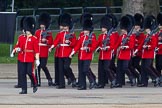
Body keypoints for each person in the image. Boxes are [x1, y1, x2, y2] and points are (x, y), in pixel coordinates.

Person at [49, 13, 77, 89]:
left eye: (66, 26)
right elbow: (56, 41)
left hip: (68, 53)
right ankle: (61, 84)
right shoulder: (60, 34)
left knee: (66, 67)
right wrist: (52, 47)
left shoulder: (72, 34)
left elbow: (75, 43)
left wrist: (70, 43)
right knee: (61, 69)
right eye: (63, 26)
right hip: (60, 53)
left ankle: (73, 78)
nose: (64, 27)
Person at [69, 17, 97, 90]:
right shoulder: (82, 38)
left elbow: (94, 46)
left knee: (85, 69)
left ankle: (92, 81)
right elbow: (77, 46)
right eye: (84, 30)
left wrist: (88, 48)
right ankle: (82, 85)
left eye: (86, 30)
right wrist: (72, 53)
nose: (85, 31)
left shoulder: (92, 38)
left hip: (87, 56)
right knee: (81, 71)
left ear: (89, 30)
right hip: (81, 56)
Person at [135, 15, 160, 87]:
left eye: (147, 29)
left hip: (149, 53)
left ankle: (156, 77)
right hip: (144, 54)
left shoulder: (153, 36)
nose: (146, 30)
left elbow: (154, 45)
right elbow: (141, 44)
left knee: (147, 67)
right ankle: (144, 82)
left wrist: (148, 47)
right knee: (143, 68)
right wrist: (137, 50)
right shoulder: (146, 36)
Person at [19, 17, 39, 94]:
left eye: (28, 30)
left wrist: (37, 60)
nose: (26, 31)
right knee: (22, 73)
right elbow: (20, 47)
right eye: (26, 30)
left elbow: (36, 50)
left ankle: (34, 84)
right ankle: (24, 89)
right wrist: (18, 49)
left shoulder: (34, 39)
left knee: (29, 72)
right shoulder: (22, 38)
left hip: (30, 57)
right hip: (23, 57)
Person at [114, 15, 135, 88]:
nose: (122, 30)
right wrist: (114, 50)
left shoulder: (130, 36)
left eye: (123, 29)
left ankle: (132, 77)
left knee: (125, 67)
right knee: (119, 69)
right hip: (120, 55)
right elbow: (117, 45)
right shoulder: (121, 37)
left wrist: (125, 47)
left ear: (126, 29)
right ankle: (119, 82)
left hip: (126, 54)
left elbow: (131, 46)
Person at [96, 14, 116, 88]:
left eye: (103, 27)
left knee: (107, 68)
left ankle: (113, 79)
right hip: (102, 55)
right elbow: (98, 43)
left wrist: (107, 48)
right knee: (100, 69)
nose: (102, 28)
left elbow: (113, 45)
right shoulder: (101, 36)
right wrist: (98, 48)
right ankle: (101, 83)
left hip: (108, 54)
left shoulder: (110, 36)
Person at [35, 12, 54, 87]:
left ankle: (49, 79)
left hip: (44, 51)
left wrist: (46, 41)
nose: (42, 25)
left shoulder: (48, 33)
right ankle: (37, 81)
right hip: (37, 51)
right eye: (41, 24)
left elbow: (51, 42)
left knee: (43, 66)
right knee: (37, 67)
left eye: (43, 24)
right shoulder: (37, 32)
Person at [10, 16, 26, 88]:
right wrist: (15, 50)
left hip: (28, 56)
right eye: (23, 29)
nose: (23, 31)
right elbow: (17, 45)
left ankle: (33, 82)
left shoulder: (31, 37)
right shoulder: (20, 37)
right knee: (20, 71)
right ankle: (20, 83)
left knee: (29, 71)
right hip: (21, 56)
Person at [156, 13, 162, 83]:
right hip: (158, 52)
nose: (159, 26)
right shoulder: (158, 33)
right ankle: (159, 77)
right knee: (158, 65)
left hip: (161, 51)